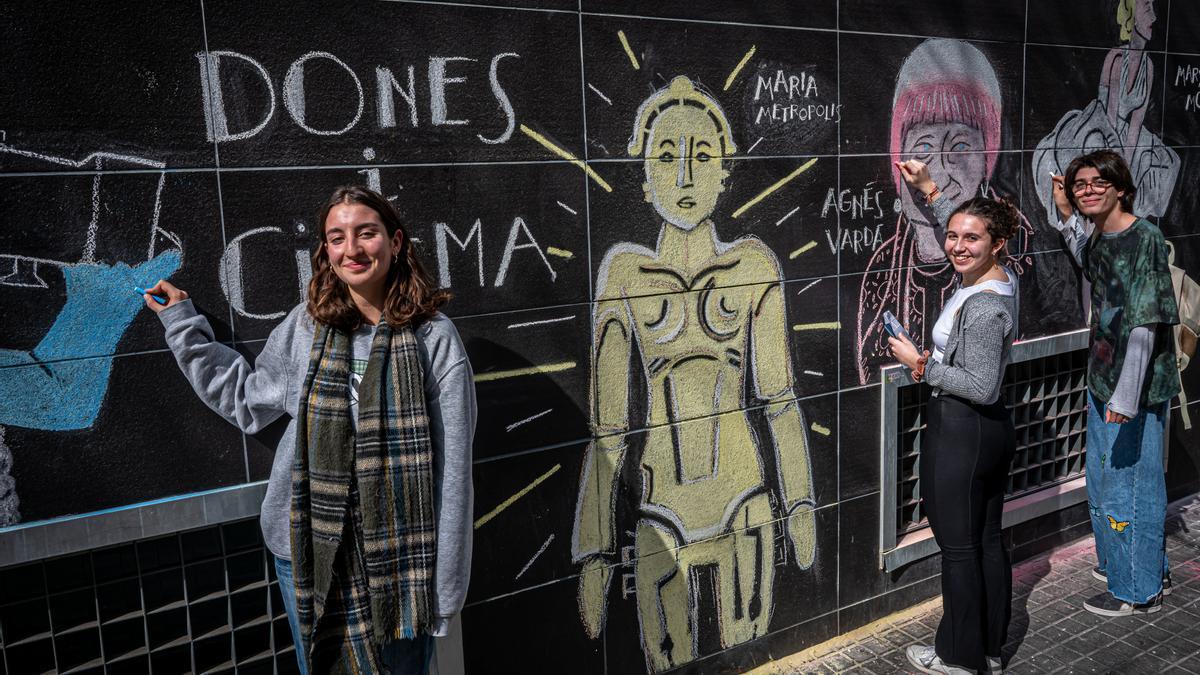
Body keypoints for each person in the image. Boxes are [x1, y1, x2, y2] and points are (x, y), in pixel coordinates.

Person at [143, 186, 476, 673]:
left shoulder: (433, 338)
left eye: (367, 233)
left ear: (396, 241)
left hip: (404, 565)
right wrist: (181, 323)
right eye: (337, 238)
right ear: (325, 251)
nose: (352, 249)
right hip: (307, 550)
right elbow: (246, 401)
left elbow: (452, 471)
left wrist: (445, 591)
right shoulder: (307, 327)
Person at [889, 160, 1018, 675]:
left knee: (960, 549)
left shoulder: (986, 308)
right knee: (985, 540)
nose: (958, 246)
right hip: (986, 434)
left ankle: (960, 658)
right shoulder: (997, 277)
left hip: (966, 431)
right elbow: (968, 225)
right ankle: (988, 646)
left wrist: (920, 364)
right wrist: (930, 190)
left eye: (972, 240)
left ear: (997, 245)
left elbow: (982, 386)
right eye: (952, 237)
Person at [857, 38, 1034, 385]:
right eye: (923, 145)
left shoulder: (1010, 254)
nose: (938, 168)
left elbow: (981, 385)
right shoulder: (884, 266)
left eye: (961, 146)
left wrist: (921, 367)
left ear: (988, 160)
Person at [1049, 149, 1178, 617]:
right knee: (1110, 484)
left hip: (1133, 391)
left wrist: (1125, 397)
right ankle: (1141, 569)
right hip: (1103, 381)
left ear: (1121, 187)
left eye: (1096, 183)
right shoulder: (1103, 235)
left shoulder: (1145, 237)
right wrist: (1066, 213)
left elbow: (1145, 325)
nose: (1087, 190)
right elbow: (1089, 261)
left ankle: (1137, 591)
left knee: (1132, 489)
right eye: (1079, 184)